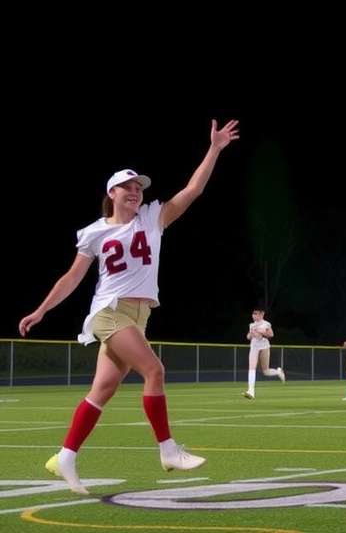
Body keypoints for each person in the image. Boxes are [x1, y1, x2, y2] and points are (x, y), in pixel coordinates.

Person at [18, 118, 240, 495]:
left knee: (101, 391)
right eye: (129, 186)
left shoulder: (153, 219)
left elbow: (193, 190)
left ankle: (65, 458)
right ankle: (168, 450)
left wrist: (214, 149)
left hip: (139, 315)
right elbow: (72, 277)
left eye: (139, 187)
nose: (136, 191)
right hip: (109, 312)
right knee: (154, 369)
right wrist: (42, 310)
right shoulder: (94, 232)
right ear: (112, 192)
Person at [242, 307, 286, 399]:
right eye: (253, 313)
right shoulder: (251, 325)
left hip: (264, 347)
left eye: (256, 313)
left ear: (262, 314)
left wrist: (263, 332)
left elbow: (271, 335)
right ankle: (251, 391)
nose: (254, 315)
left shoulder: (266, 324)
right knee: (252, 367)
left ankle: (278, 372)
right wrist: (251, 333)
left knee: (265, 371)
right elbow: (248, 337)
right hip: (254, 347)